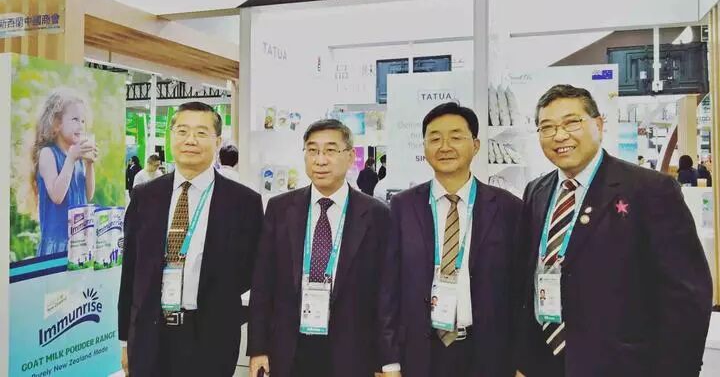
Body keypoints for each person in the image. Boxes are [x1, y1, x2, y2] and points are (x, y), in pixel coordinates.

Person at [515, 85, 712, 377]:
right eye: (547, 127)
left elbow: (687, 295)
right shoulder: (537, 191)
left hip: (624, 365)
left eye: (571, 122)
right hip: (547, 364)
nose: (559, 135)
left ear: (598, 124)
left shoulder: (650, 189)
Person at [118, 101, 263, 377]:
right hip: (150, 334)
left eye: (201, 133)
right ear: (171, 136)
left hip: (211, 337)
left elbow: (252, 274)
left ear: (217, 141)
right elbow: (131, 271)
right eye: (182, 131)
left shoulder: (244, 202)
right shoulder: (145, 197)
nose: (190, 140)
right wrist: (126, 338)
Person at [379, 102, 523, 377]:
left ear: (476, 145)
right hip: (420, 352)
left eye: (456, 137)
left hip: (488, 354)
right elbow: (388, 288)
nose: (444, 146)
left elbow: (519, 292)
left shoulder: (508, 208)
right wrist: (390, 362)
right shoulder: (402, 206)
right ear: (424, 148)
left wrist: (522, 362)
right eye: (434, 139)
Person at [248, 119, 391, 377]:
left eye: (330, 150)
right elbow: (263, 282)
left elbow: (385, 292)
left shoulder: (376, 214)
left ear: (350, 157)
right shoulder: (280, 209)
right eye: (312, 150)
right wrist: (258, 348)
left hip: (353, 351)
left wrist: (386, 360)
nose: (320, 160)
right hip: (290, 349)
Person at [32, 88, 98, 256]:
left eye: (83, 121)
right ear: (56, 124)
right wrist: (71, 159)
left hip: (78, 240)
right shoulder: (48, 154)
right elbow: (57, 196)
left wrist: (89, 165)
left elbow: (88, 195)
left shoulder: (76, 157)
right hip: (57, 244)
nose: (81, 125)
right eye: (75, 119)